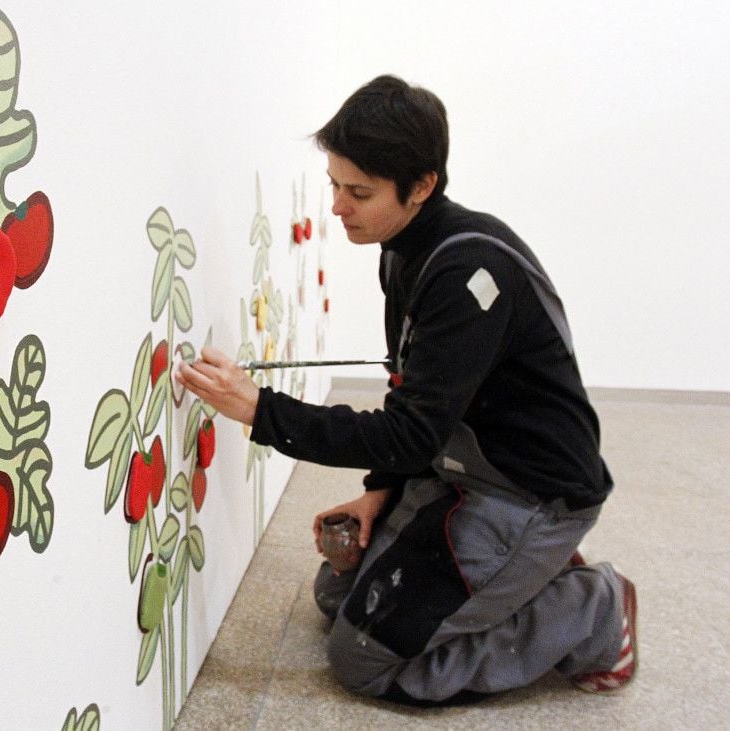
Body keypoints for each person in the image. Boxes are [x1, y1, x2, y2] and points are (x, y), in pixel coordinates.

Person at [174, 75, 636, 705]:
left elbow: (410, 430)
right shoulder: (401, 248)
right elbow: (412, 394)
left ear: (422, 186)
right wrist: (380, 492)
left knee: (363, 661)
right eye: (334, 183)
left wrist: (259, 409)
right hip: (462, 469)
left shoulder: (469, 271)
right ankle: (519, 577)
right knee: (336, 595)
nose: (337, 205)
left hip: (530, 493)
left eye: (358, 191)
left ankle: (589, 606)